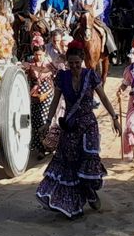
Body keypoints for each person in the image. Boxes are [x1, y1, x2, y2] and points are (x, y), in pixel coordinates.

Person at [36, 43, 119, 219]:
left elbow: (103, 97)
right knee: (70, 163)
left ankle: (90, 190)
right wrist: (48, 122)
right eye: (71, 63)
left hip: (88, 125)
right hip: (70, 126)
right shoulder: (62, 77)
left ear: (82, 60)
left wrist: (114, 117)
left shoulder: (91, 75)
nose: (74, 66)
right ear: (67, 62)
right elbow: (55, 101)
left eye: (77, 63)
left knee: (88, 159)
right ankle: (75, 200)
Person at [23, 35, 57, 157]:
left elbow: (55, 74)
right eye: (36, 55)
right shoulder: (30, 63)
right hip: (34, 95)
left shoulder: (49, 64)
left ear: (44, 53)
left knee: (44, 119)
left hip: (47, 93)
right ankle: (38, 145)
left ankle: (45, 146)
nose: (38, 57)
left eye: (40, 55)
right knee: (34, 120)